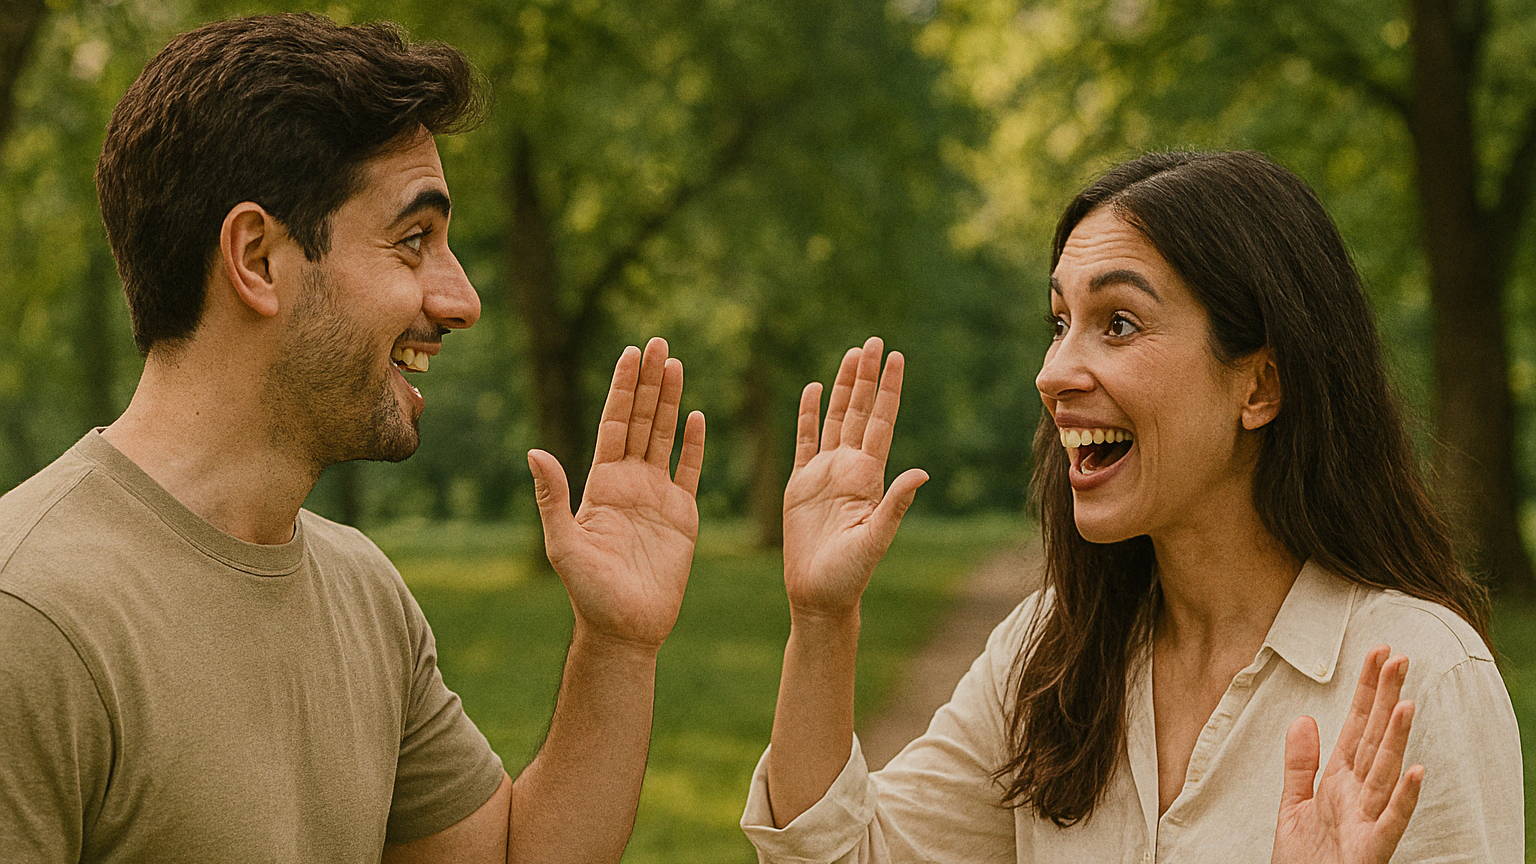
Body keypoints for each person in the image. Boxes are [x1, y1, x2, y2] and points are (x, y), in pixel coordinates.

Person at [0, 13, 705, 864]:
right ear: (257, 258)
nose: (462, 300)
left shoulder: (364, 592)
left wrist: (617, 645)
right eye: (413, 241)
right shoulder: (29, 619)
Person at [740, 151, 1523, 862]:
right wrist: (822, 622)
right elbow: (843, 854)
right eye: (1060, 324)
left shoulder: (1420, 677)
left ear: (1260, 386)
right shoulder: (1052, 651)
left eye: (1118, 324)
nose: (1053, 372)